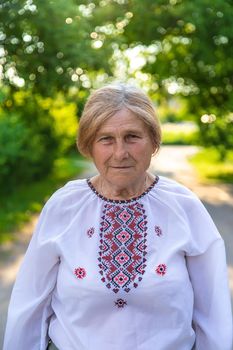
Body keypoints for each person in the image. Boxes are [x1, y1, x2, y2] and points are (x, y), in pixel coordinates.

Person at [3, 83, 232, 350]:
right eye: (106, 139)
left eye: (133, 137)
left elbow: (214, 317)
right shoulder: (64, 206)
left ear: (154, 141)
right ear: (89, 145)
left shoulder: (183, 207)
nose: (120, 153)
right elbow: (29, 306)